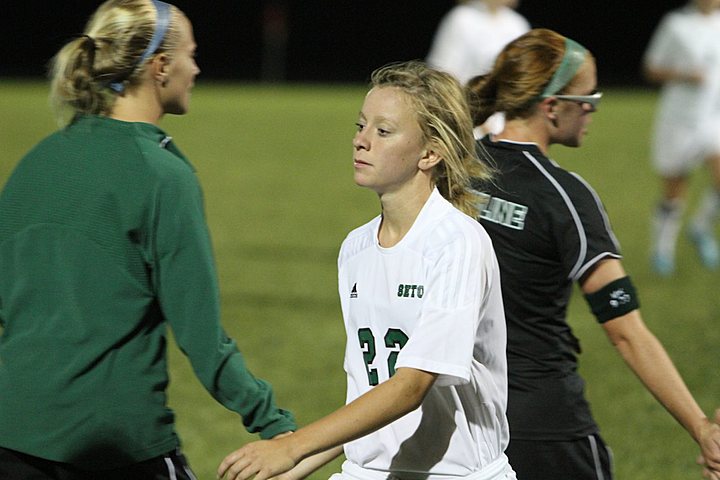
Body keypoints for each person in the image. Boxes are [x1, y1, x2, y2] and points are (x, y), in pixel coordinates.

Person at [0, 1, 295, 479]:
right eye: (190, 55)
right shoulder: (162, 176)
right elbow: (203, 340)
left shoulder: (37, 161)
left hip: (11, 438)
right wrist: (276, 425)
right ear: (160, 67)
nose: (196, 69)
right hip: (115, 445)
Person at [217, 61, 516, 480]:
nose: (361, 141)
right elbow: (371, 391)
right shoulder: (356, 247)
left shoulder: (456, 243)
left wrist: (291, 446)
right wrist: (294, 466)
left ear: (430, 153)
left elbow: (411, 386)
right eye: (361, 126)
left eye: (383, 131)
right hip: (367, 472)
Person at [467, 28, 720, 480]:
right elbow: (626, 333)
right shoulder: (565, 197)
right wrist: (700, 427)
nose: (592, 110)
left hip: (453, 413)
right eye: (588, 98)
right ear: (550, 106)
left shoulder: (455, 171)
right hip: (542, 423)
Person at [643, 0, 720, 276]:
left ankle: (700, 228)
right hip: (679, 120)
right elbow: (651, 68)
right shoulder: (677, 24)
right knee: (675, 190)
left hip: (713, 119)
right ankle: (662, 250)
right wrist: (685, 75)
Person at [426, 0, 530, 135]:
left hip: (505, 121)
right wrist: (475, 116)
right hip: (467, 115)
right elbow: (443, 72)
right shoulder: (462, 18)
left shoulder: (517, 23)